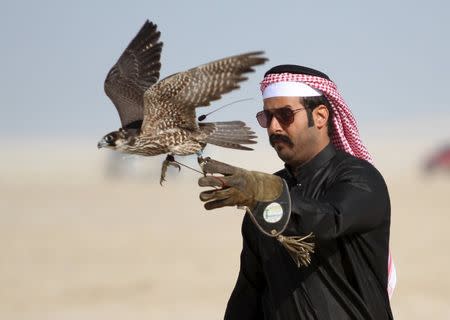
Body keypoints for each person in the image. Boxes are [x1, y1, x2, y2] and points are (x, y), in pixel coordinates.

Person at [198, 65, 396, 319]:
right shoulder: (262, 190)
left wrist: (262, 195)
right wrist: (260, 195)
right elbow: (250, 290)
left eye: (285, 115)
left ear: (321, 116)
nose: (274, 127)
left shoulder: (360, 179)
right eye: (267, 117)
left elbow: (330, 219)